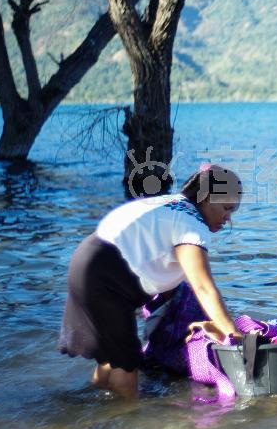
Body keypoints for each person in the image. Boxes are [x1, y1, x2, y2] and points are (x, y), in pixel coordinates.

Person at [58, 164, 243, 398]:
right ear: (206, 198)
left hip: (87, 260)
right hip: (104, 274)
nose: (228, 218)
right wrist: (234, 337)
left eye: (233, 211)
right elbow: (203, 287)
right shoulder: (192, 224)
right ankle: (125, 423)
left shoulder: (174, 204)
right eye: (226, 208)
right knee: (127, 363)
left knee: (111, 358)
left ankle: (91, 405)